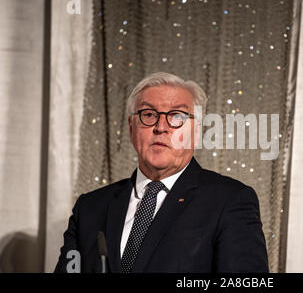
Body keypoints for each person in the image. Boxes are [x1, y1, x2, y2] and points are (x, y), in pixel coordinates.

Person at [54, 72, 268, 273]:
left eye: (177, 117)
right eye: (148, 114)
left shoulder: (230, 201)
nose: (161, 127)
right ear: (131, 127)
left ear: (196, 131)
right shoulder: (90, 207)